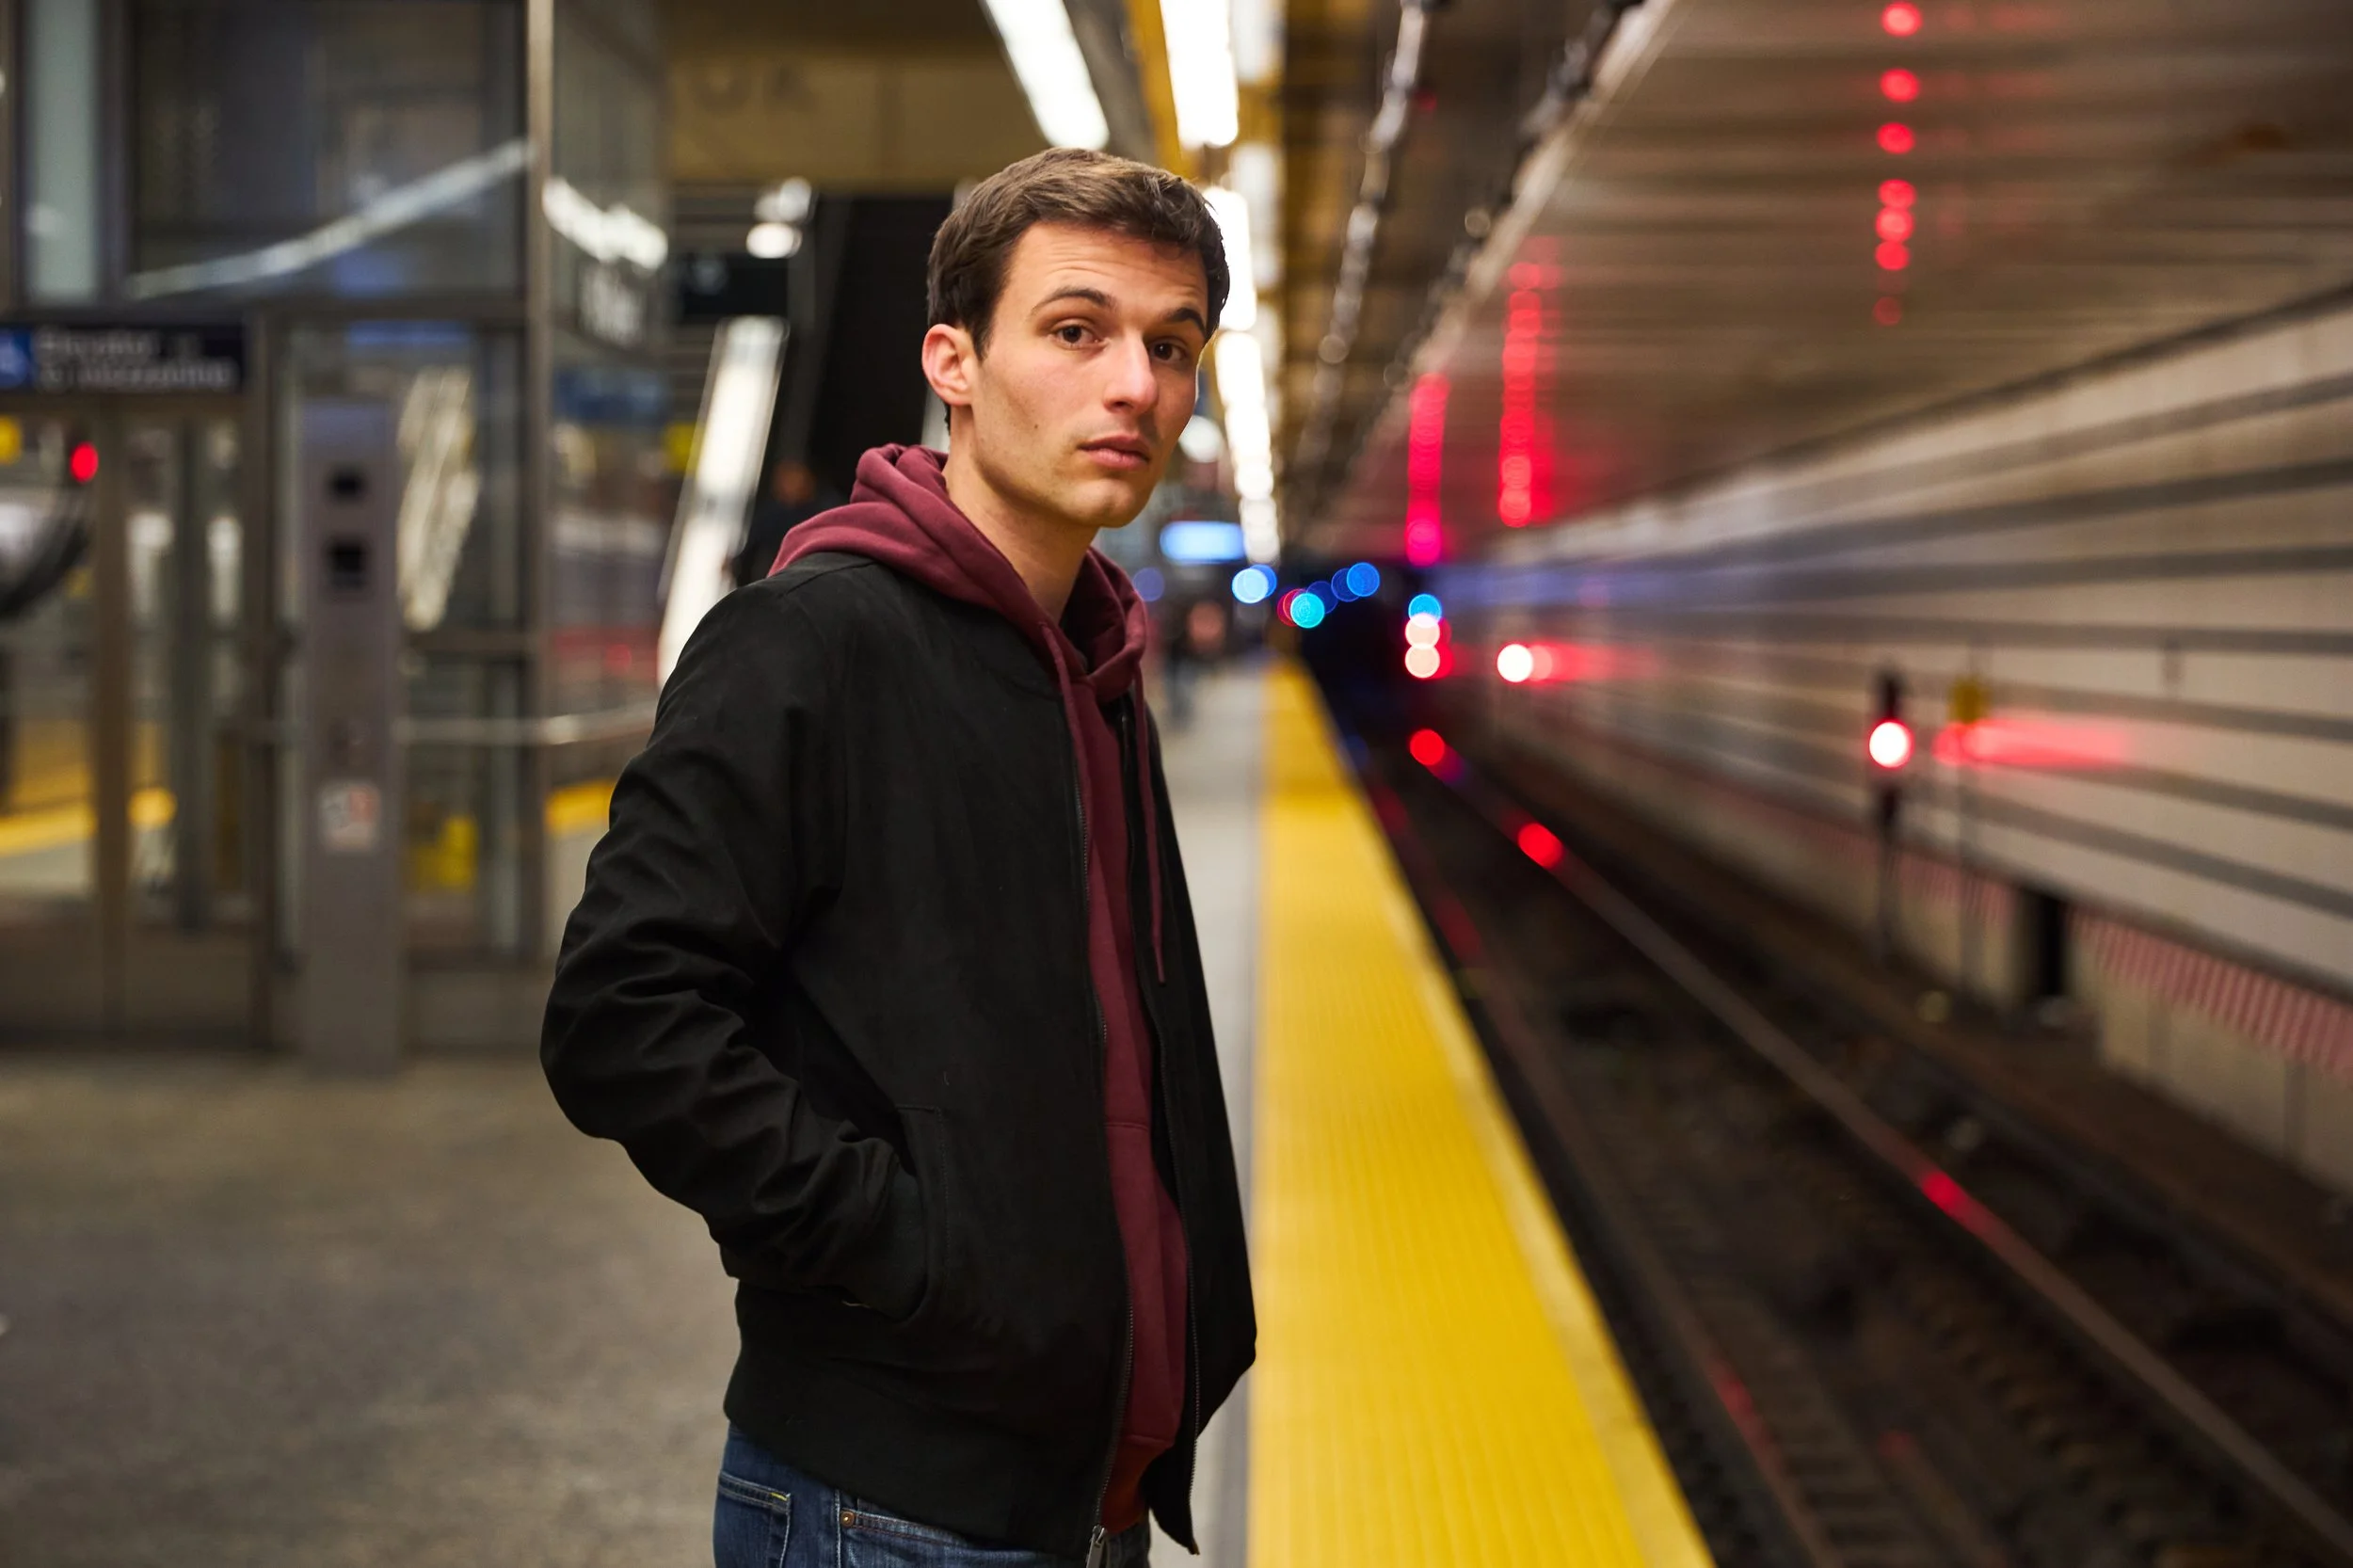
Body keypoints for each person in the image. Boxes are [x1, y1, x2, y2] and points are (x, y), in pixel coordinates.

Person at [541, 148, 1255, 1568]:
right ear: (955, 362)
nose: (1134, 385)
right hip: (892, 1505)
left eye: (1170, 348)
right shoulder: (810, 644)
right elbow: (621, 1017)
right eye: (1076, 330)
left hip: (1081, 1485)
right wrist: (914, 1262)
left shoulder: (1094, 662)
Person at [729, 457, 837, 588]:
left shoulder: (830, 510)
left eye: (793, 478)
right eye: (782, 480)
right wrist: (736, 562)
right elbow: (753, 544)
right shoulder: (772, 513)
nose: (787, 485)